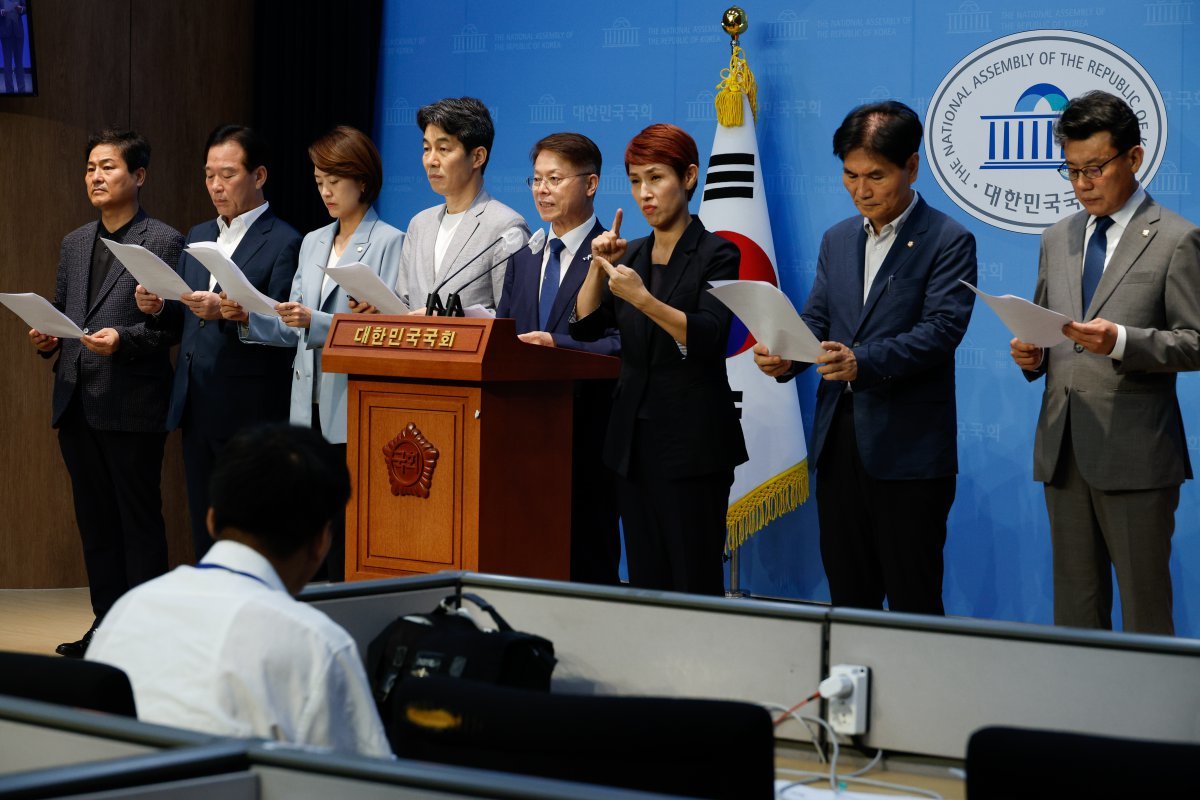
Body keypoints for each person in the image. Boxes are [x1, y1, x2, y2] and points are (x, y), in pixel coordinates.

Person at [753, 101, 976, 615]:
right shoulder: (838, 239)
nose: (861, 190)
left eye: (876, 176)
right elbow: (817, 319)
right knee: (848, 596)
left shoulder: (948, 239)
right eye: (850, 176)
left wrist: (862, 361)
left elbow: (942, 331)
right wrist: (788, 354)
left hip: (909, 454)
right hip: (839, 446)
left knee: (913, 597)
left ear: (911, 167)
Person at [1009, 90, 1200, 636]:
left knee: (1144, 614)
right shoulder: (1057, 237)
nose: (1082, 183)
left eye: (1094, 168)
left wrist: (1121, 340)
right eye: (1071, 171)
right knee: (1074, 614)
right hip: (1063, 450)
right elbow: (1048, 327)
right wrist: (1032, 355)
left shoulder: (1177, 239)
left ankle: (1147, 721)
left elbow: (1195, 341)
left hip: (1135, 456)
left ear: (1133, 159)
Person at [87, 424, 392, 758]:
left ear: (211, 519)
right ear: (322, 542)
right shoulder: (318, 644)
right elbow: (370, 781)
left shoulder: (128, 610)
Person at [571, 123, 747, 595]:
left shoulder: (717, 252)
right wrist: (597, 264)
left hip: (692, 442)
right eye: (634, 181)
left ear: (689, 177)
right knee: (646, 579)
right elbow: (585, 326)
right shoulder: (634, 252)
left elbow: (710, 335)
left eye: (655, 178)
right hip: (631, 439)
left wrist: (643, 298)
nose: (644, 193)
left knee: (692, 577)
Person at [223, 125, 404, 580]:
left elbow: (387, 329)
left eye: (334, 181)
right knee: (311, 518)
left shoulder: (390, 241)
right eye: (318, 181)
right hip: (307, 406)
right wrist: (249, 317)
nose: (324, 191)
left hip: (353, 403)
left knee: (350, 520)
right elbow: (293, 330)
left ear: (362, 181)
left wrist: (317, 322)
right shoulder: (313, 241)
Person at [29, 128, 183, 658]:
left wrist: (125, 339)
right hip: (75, 399)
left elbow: (171, 328)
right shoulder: (75, 241)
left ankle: (146, 632)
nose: (96, 176)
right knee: (94, 520)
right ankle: (107, 625)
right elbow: (64, 308)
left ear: (138, 176)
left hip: (131, 402)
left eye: (108, 167)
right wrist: (49, 338)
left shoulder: (162, 240)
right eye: (91, 167)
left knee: (136, 520)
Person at [136, 124, 302, 562]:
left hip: (248, 405)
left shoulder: (285, 240)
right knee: (203, 519)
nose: (215, 185)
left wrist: (230, 315)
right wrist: (157, 304)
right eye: (209, 175)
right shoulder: (197, 235)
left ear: (259, 176)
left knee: (248, 524)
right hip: (196, 399)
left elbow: (285, 325)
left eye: (227, 174)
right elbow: (188, 315)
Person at [496, 132, 621, 585]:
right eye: (536, 180)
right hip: (523, 436)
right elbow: (506, 339)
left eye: (555, 179)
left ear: (590, 185)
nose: (542, 190)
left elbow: (620, 344)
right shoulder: (523, 260)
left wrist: (559, 345)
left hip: (589, 434)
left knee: (588, 559)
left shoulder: (617, 253)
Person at [369, 97, 527, 315]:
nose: (431, 160)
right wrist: (377, 310)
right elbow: (405, 305)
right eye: (426, 148)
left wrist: (447, 318)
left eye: (443, 149)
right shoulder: (419, 224)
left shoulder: (505, 227)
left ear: (478, 157)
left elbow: (512, 319)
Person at [0, 1, 25, 94]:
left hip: (18, 33)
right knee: (7, 65)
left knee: (19, 64)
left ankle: (22, 91)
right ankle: (9, 91)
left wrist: (21, 9)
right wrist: (1, 12)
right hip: (6, 34)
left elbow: (26, 7)